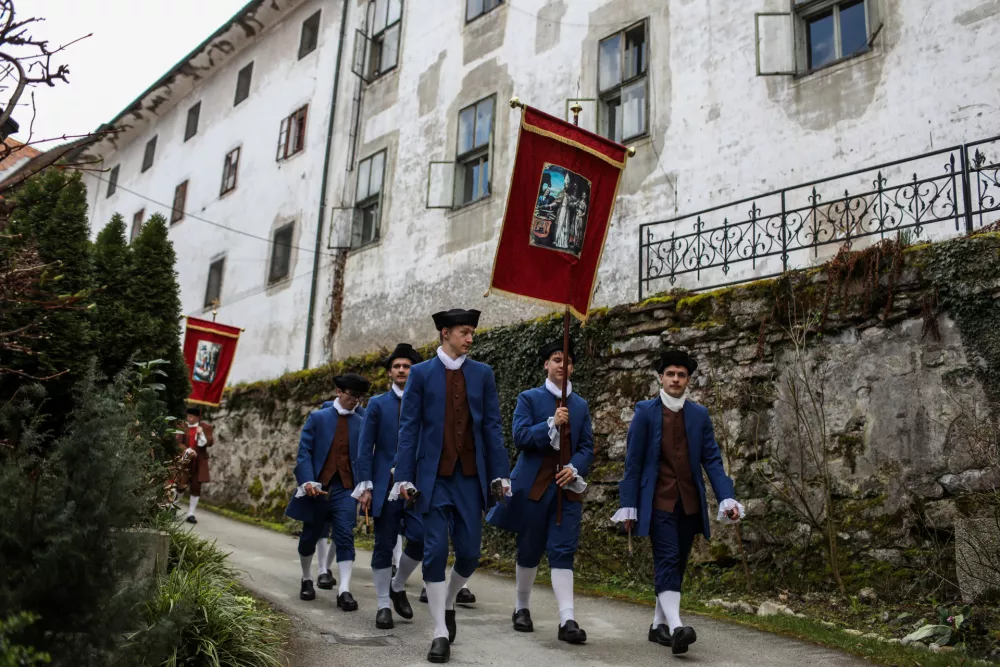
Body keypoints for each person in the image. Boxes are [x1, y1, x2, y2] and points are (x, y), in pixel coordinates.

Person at [391, 308, 511, 664]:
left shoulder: (483, 374)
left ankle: (449, 599)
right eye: (464, 332)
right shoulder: (422, 374)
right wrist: (403, 478)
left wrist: (501, 474)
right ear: (445, 333)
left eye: (472, 332)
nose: (470, 338)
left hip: (471, 478)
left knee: (471, 553)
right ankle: (439, 633)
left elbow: (492, 427)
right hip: (431, 480)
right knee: (435, 551)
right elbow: (409, 429)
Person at [612, 350, 744, 655]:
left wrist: (726, 496)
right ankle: (676, 627)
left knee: (678, 562)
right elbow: (632, 463)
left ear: (687, 380)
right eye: (670, 374)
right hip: (657, 500)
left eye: (681, 375)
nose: (675, 379)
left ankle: (658, 625)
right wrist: (628, 504)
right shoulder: (645, 412)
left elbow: (711, 459)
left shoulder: (700, 415)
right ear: (661, 377)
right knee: (668, 558)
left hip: (689, 502)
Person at [487, 339, 593, 644]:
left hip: (567, 491)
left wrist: (575, 466)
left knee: (563, 551)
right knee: (530, 549)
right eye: (556, 360)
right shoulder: (529, 398)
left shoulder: (581, 405)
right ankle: (521, 607)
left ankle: (567, 619)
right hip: (533, 489)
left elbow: (587, 447)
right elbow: (519, 437)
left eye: (568, 361)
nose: (563, 365)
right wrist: (550, 422)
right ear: (546, 364)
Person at [355, 343, 426, 630]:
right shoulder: (377, 404)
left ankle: (398, 585)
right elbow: (364, 447)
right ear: (390, 372)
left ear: (414, 371)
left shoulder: (424, 403)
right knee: (383, 544)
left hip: (417, 484)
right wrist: (366, 486)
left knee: (421, 537)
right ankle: (384, 603)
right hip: (384, 486)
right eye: (396, 366)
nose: (401, 370)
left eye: (407, 366)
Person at [286, 373, 371, 611]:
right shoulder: (317, 418)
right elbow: (304, 453)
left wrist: (365, 486)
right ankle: (306, 578)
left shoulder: (362, 423)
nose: (355, 400)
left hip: (346, 489)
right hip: (318, 489)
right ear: (339, 392)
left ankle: (344, 589)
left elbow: (365, 457)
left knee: (345, 535)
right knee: (309, 537)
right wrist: (308, 481)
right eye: (352, 395)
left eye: (359, 397)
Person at [176, 406, 213, 524]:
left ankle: (191, 513)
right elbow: (178, 442)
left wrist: (201, 433)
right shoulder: (183, 426)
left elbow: (210, 442)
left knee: (196, 487)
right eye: (188, 416)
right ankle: (173, 507)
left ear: (197, 417)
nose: (189, 418)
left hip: (199, 462)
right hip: (186, 460)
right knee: (181, 484)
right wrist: (186, 450)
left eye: (191, 416)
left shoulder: (206, 427)